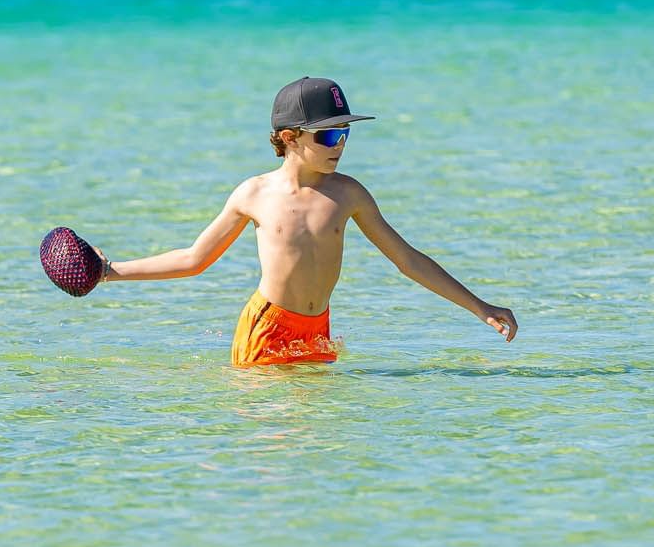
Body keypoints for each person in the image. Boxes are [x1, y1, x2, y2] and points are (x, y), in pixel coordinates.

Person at [99, 76, 518, 366]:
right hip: (267, 328)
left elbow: (407, 260)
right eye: (329, 135)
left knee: (321, 434)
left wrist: (479, 307)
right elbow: (194, 259)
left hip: (318, 329)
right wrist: (108, 272)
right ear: (289, 137)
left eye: (345, 133)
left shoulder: (348, 194)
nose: (341, 144)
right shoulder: (254, 194)